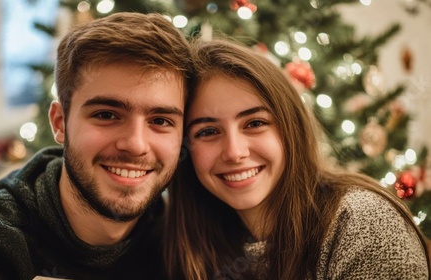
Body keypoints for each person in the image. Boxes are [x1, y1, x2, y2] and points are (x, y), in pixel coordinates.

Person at [0, 12, 192, 279]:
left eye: (160, 120)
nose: (136, 145)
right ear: (59, 123)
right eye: (106, 115)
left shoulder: (190, 246)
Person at [164, 38, 430, 280]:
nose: (234, 152)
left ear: (291, 127)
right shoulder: (188, 239)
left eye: (255, 123)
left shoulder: (364, 223)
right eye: (208, 131)